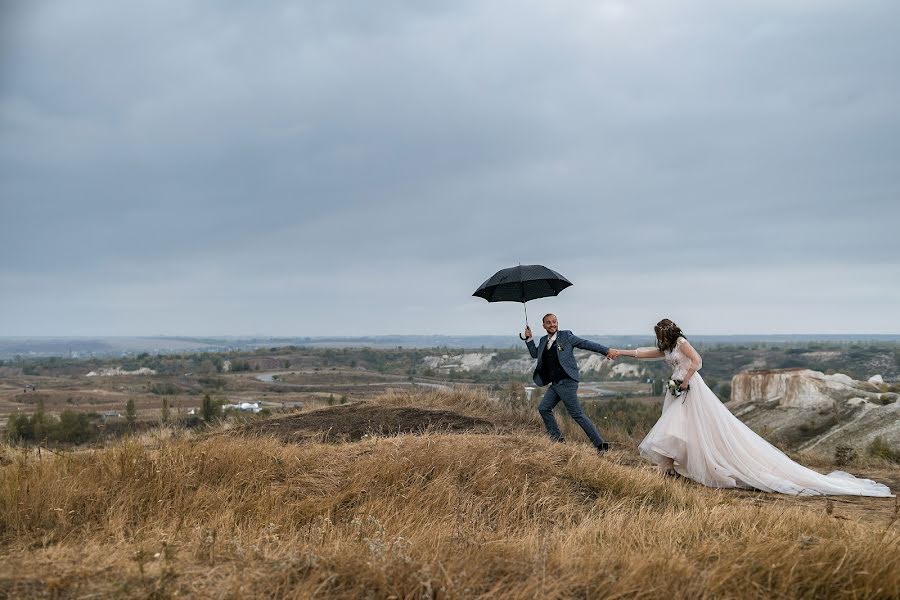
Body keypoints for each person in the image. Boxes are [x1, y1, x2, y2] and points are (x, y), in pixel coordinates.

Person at [607, 319, 892, 496]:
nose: (660, 338)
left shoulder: (681, 342)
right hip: (678, 389)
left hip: (690, 388)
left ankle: (671, 467)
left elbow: (697, 361)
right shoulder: (667, 348)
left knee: (680, 425)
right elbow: (646, 353)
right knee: (677, 426)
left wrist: (685, 380)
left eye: (661, 333)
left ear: (668, 333)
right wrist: (623, 352)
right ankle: (670, 466)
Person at [524, 313, 612, 453]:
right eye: (549, 323)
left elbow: (586, 344)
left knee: (577, 414)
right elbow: (535, 353)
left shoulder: (566, 337)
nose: (552, 324)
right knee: (544, 408)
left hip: (567, 381)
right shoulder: (542, 341)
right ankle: (557, 440)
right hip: (556, 384)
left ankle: (601, 446)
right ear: (544, 326)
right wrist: (529, 339)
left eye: (554, 322)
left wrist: (606, 351)